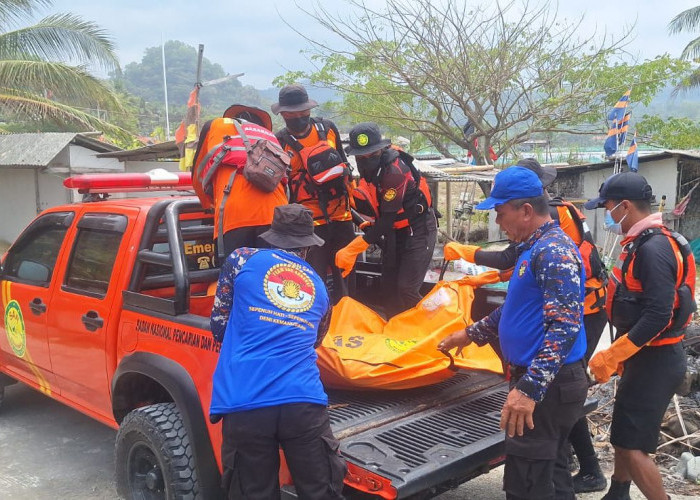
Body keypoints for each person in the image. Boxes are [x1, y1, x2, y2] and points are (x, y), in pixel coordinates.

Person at [443, 158, 608, 493]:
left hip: (548, 385)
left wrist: (529, 389)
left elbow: (563, 328)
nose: (498, 222)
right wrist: (471, 334)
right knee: (552, 479)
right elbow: (515, 309)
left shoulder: (553, 253)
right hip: (546, 382)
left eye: (500, 213)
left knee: (527, 486)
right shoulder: (533, 248)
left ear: (526, 210)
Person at [209, 203, 347, 499]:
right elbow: (315, 341)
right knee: (320, 491)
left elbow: (218, 324)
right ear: (308, 247)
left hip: (246, 401)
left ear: (270, 237)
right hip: (303, 402)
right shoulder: (321, 288)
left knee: (254, 492)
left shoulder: (241, 259)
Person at [585, 172, 696, 500]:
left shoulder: (654, 248)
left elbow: (659, 314)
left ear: (625, 206)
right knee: (624, 432)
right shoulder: (644, 242)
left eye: (607, 206)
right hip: (644, 356)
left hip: (656, 359)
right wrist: (624, 354)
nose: (606, 213)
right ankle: (618, 492)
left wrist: (614, 354)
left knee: (633, 447)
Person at [337, 122, 438, 317]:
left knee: (406, 288)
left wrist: (354, 248)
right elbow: (378, 212)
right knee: (389, 287)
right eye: (361, 157)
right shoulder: (371, 174)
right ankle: (394, 330)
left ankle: (431, 325)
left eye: (372, 155)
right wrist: (367, 225)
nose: (367, 161)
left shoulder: (394, 172)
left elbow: (387, 219)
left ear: (382, 150)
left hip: (418, 229)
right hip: (395, 231)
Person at [272, 84, 354, 303]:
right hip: (308, 225)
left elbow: (344, 165)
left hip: (341, 216)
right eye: (292, 114)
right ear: (283, 114)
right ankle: (320, 327)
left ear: (309, 109)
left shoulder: (328, 128)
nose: (298, 117)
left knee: (346, 275)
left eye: (303, 112)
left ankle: (349, 321)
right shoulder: (278, 142)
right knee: (314, 278)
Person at [192, 104, 287, 256]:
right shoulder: (271, 137)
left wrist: (208, 205)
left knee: (238, 275)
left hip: (235, 216)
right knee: (271, 275)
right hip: (278, 217)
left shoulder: (215, 125)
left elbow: (198, 175)